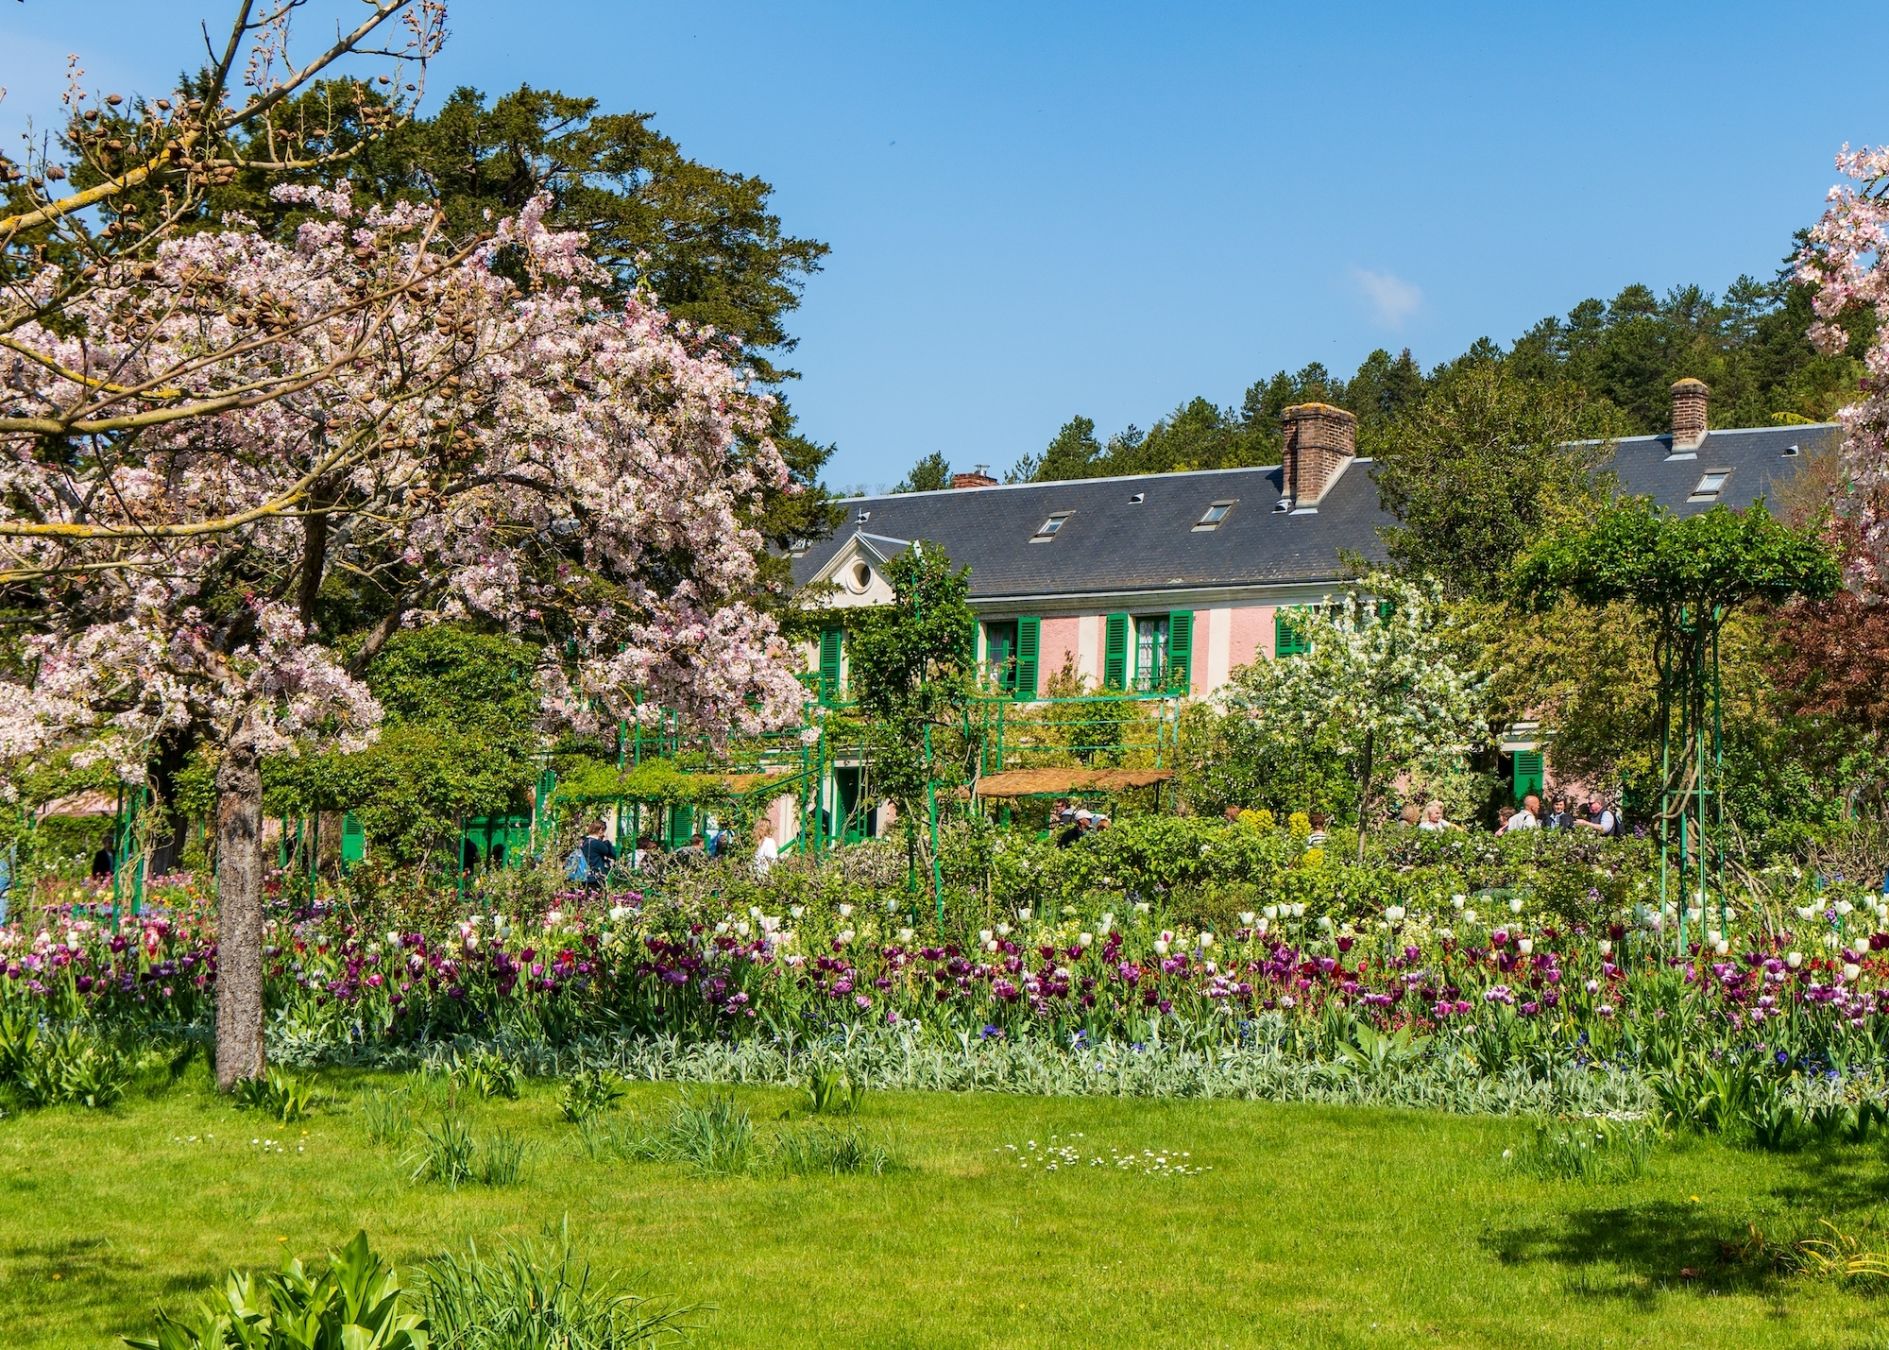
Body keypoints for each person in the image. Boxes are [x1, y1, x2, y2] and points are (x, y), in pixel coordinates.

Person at [580, 819, 616, 891]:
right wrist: (606, 841)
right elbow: (613, 853)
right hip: (596, 874)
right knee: (597, 896)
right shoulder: (597, 843)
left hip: (583, 873)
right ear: (600, 830)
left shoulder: (584, 841)